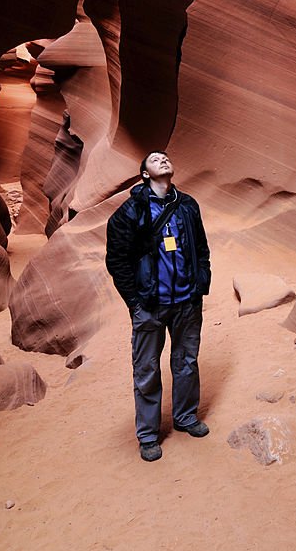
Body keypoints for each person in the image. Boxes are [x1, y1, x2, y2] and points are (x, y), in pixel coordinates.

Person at [105, 151, 212, 462]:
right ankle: (149, 435)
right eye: (154, 159)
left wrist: (200, 283)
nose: (163, 160)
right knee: (147, 369)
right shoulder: (130, 212)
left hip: (187, 302)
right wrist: (135, 302)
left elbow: (201, 248)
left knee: (186, 362)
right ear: (144, 174)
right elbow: (118, 261)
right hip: (151, 304)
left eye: (165, 157)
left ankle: (186, 417)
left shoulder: (188, 206)